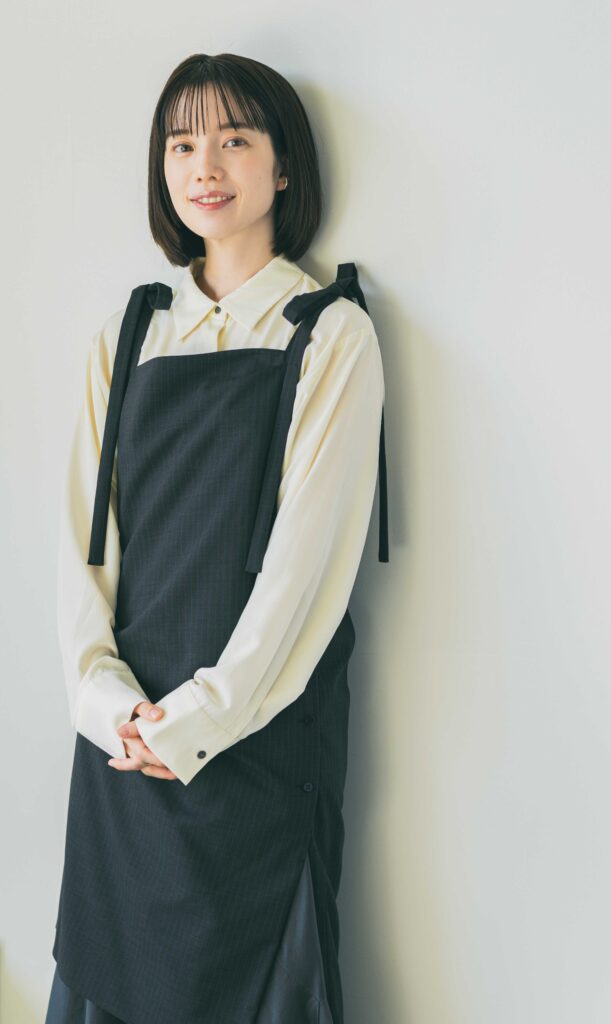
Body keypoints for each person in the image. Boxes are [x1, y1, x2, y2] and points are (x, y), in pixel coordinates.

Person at [46, 51, 388, 1024]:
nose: (204, 165)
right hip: (122, 750)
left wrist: (197, 720)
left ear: (283, 167)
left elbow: (303, 577)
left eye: (234, 139)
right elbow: (82, 548)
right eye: (181, 143)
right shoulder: (128, 333)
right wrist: (108, 705)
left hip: (257, 740)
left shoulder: (327, 334)